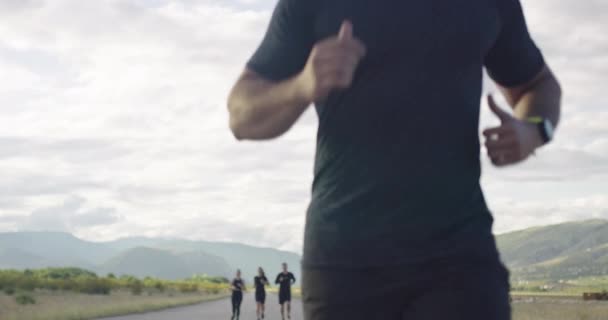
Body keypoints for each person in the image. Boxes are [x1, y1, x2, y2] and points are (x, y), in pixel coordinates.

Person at [227, 0, 562, 319]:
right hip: (345, 259)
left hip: (460, 255)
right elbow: (241, 115)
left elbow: (538, 84)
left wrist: (533, 130)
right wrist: (301, 85)